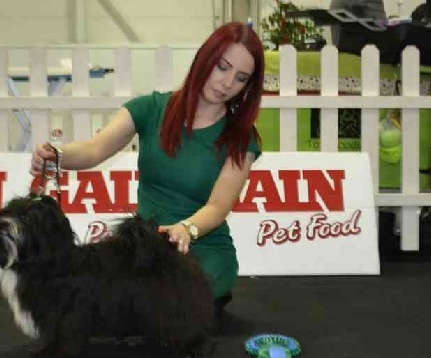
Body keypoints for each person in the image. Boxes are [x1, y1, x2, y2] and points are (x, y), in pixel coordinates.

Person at [30, 22, 265, 315]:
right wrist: (57, 154)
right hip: (144, 248)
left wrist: (186, 230)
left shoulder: (242, 138)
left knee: (162, 306)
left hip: (203, 252)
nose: (227, 82)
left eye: (241, 78)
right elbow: (94, 149)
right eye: (222, 67)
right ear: (205, 59)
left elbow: (218, 206)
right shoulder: (150, 108)